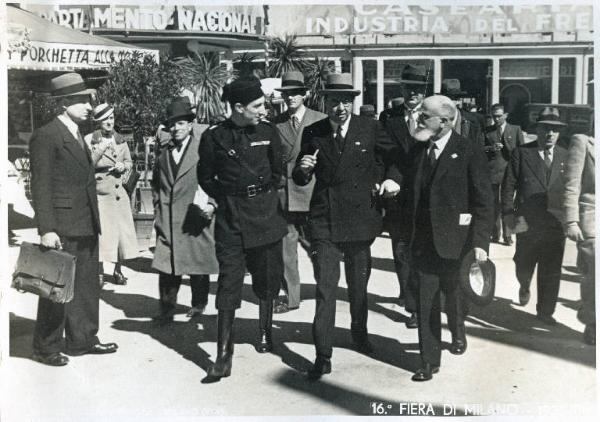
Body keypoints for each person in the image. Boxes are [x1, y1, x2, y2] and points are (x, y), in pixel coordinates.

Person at [292, 73, 401, 379]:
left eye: (345, 101)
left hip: (359, 220)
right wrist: (302, 169)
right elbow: (301, 176)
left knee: (358, 286)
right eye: (333, 101)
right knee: (327, 289)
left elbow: (395, 159)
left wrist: (390, 179)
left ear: (352, 102)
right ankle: (322, 354)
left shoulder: (370, 127)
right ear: (325, 102)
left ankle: (359, 332)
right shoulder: (314, 132)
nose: (339, 108)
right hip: (325, 220)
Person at [198, 77, 287, 379]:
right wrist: (226, 198)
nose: (264, 110)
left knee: (267, 276)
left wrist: (261, 194)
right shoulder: (214, 138)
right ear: (238, 108)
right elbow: (206, 176)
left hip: (265, 215)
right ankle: (224, 354)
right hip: (231, 218)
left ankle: (264, 329)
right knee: (229, 281)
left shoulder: (268, 131)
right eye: (257, 106)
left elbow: (278, 171)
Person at [29, 72, 118, 366]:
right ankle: (46, 347)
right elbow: (41, 186)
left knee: (86, 285)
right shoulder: (47, 135)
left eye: (88, 99)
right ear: (64, 102)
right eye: (81, 100)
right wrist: (46, 229)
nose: (89, 106)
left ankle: (83, 340)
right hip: (62, 225)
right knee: (56, 286)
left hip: (85, 222)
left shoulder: (78, 133)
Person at [405, 95, 493, 381]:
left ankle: (457, 331)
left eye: (424, 116)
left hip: (457, 240)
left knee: (453, 294)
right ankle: (428, 360)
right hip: (423, 241)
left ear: (443, 121)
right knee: (426, 298)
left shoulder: (468, 150)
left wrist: (481, 243)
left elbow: (483, 201)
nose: (418, 120)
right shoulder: (418, 150)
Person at [151, 98, 219, 322]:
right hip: (169, 218)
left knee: (197, 265)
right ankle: (166, 308)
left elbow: (216, 179)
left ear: (190, 124)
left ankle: (199, 304)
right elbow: (156, 183)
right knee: (167, 267)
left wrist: (211, 204)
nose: (176, 128)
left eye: (181, 123)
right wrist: (158, 208)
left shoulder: (203, 148)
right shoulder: (164, 152)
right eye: (172, 124)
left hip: (194, 216)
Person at [502, 107, 568, 326]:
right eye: (545, 129)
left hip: (555, 221)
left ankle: (545, 311)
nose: (550, 134)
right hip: (526, 220)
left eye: (555, 130)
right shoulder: (522, 153)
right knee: (523, 261)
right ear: (537, 130)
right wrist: (507, 215)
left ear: (559, 133)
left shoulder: (565, 156)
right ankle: (524, 283)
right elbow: (509, 184)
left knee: (551, 268)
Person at [380, 64, 432, 328]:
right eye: (409, 88)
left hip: (426, 197)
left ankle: (420, 303)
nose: (414, 94)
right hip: (398, 198)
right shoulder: (388, 118)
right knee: (401, 250)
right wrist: (388, 179)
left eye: (419, 89)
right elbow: (384, 154)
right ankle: (410, 301)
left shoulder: (434, 116)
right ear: (402, 89)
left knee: (422, 249)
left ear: (425, 91)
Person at [271, 71, 326, 314]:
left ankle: (325, 291)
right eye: (286, 94)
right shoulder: (276, 123)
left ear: (305, 95)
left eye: (295, 93)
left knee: (317, 247)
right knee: (285, 248)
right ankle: (292, 297)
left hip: (312, 194)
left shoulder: (321, 120)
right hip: (285, 195)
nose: (291, 97)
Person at [84, 103, 138, 285]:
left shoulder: (120, 139)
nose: (109, 122)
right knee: (103, 234)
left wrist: (124, 166)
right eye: (105, 119)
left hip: (119, 193)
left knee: (121, 234)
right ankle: (99, 272)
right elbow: (86, 164)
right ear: (98, 121)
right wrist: (100, 149)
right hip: (101, 193)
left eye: (112, 118)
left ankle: (118, 270)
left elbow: (129, 162)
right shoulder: (90, 139)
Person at [563, 133, 595, 345]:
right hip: (593, 217)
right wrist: (571, 221)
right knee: (595, 273)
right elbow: (572, 184)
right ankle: (593, 322)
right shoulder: (583, 142)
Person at [484, 103, 525, 246]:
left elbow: (522, 152)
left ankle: (508, 236)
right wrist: (491, 148)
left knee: (508, 205)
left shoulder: (515, 129)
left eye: (499, 116)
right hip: (493, 173)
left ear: (506, 115)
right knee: (494, 204)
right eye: (494, 116)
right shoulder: (487, 131)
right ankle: (495, 234)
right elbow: (479, 149)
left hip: (510, 173)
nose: (496, 119)